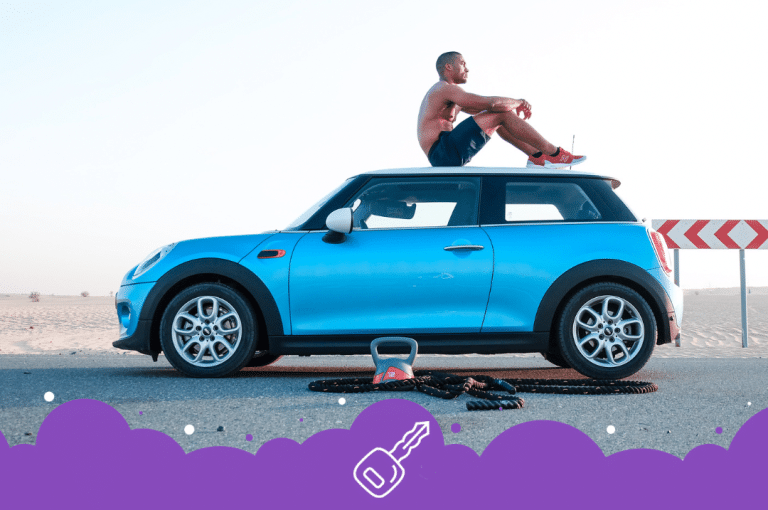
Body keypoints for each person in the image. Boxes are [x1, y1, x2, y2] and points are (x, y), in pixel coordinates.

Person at [417, 51, 586, 168]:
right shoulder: (444, 89)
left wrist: (510, 107)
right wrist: (518, 102)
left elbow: (489, 110)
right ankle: (554, 153)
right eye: (462, 63)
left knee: (500, 117)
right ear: (448, 67)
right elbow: (490, 104)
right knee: (501, 113)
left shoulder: (447, 94)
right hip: (443, 152)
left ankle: (537, 157)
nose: (467, 69)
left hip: (444, 153)